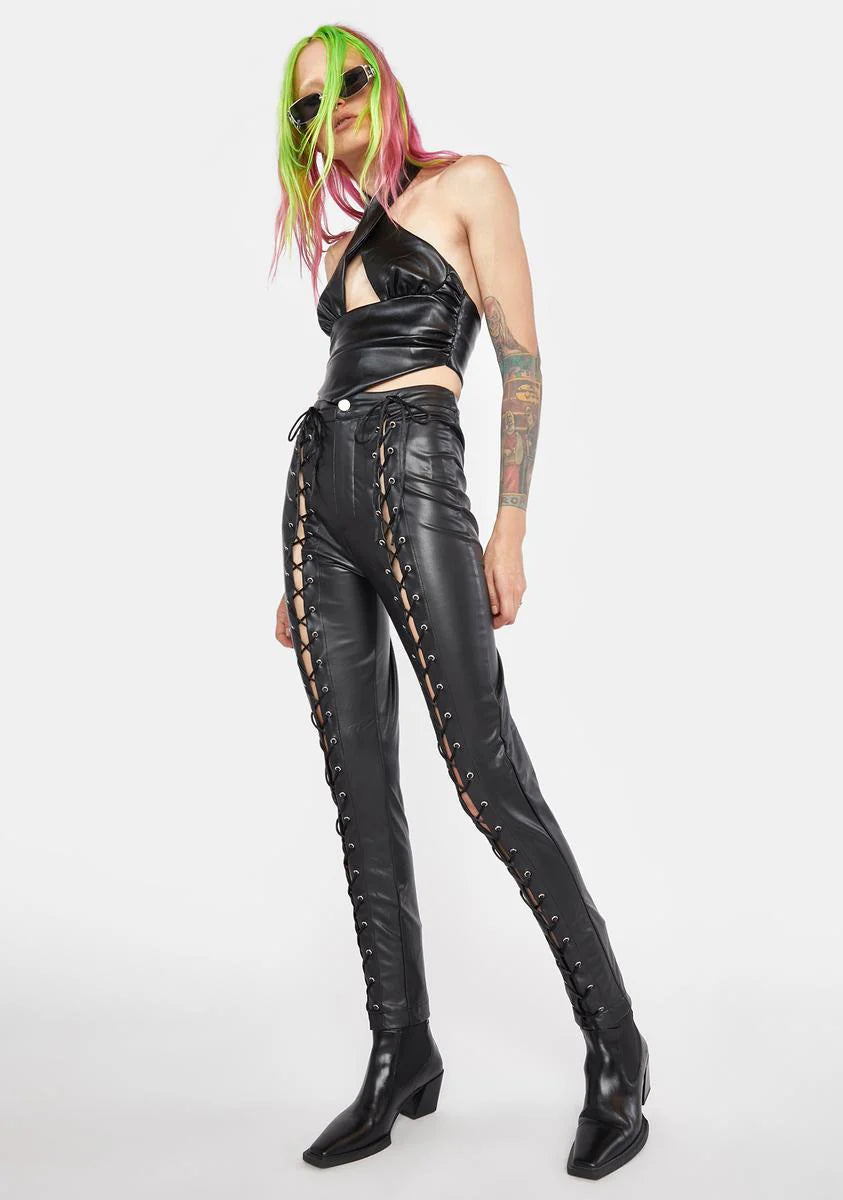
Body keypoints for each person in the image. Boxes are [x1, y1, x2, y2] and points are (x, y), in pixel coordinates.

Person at [269, 22, 651, 1181]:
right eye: (304, 106)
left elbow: (521, 360)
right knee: (356, 786)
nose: (330, 111)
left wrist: (511, 524)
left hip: (416, 471)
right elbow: (336, 379)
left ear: (383, 81)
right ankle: (402, 1052)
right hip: (317, 497)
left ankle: (618, 1052)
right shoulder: (352, 238)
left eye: (345, 84)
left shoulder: (469, 183)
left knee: (486, 773)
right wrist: (292, 567)